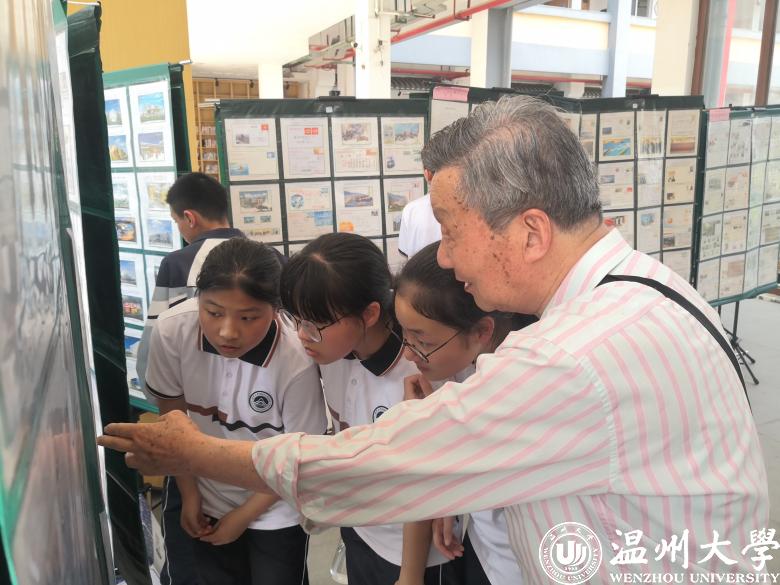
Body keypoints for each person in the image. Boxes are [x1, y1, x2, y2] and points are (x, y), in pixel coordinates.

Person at [100, 96, 769, 581]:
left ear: (531, 232)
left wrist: (197, 453)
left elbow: (380, 465)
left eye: (450, 230)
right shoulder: (647, 285)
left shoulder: (572, 355)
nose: (443, 257)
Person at [276, 232, 459, 585]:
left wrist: (410, 574)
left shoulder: (419, 373)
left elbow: (420, 484)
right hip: (361, 528)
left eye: (314, 324)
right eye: (296, 319)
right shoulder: (332, 354)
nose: (301, 334)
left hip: (416, 553)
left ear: (370, 313)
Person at [145, 237, 325, 585]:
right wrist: (190, 495)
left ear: (276, 309)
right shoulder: (173, 331)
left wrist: (243, 516)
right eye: (213, 313)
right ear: (198, 297)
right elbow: (173, 423)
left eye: (248, 317)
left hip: (274, 504)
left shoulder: (296, 358)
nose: (228, 331)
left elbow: (297, 457)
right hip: (198, 487)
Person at [394, 241, 535, 585]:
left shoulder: (523, 393)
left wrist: (429, 427)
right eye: (404, 335)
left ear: (482, 332)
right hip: (482, 550)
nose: (409, 354)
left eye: (423, 342)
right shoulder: (460, 368)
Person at [135, 171, 244, 585]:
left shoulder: (177, 263)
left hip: (194, 427)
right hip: (256, 434)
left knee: (192, 550)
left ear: (190, 218)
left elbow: (152, 351)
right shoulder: (266, 258)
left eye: (177, 221)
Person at [397, 169, 441, 258]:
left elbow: (404, 251)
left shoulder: (411, 209)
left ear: (427, 174)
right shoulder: (466, 206)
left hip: (418, 266)